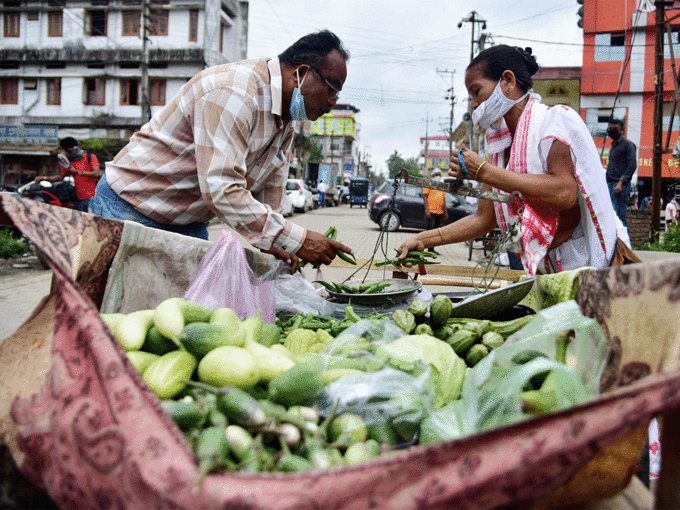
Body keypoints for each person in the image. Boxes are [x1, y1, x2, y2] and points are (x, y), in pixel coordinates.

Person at [89, 30, 352, 273]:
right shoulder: (235, 92)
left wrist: (277, 241)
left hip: (187, 224)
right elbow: (221, 188)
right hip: (129, 209)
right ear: (301, 73)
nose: (333, 101)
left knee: (180, 316)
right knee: (106, 315)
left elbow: (270, 190)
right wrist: (299, 239)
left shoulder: (285, 123)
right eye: (332, 88)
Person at [398, 45, 635, 276]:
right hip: (543, 270)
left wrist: (484, 171)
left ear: (508, 81)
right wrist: (422, 239)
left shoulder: (553, 122)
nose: (473, 104)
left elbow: (564, 193)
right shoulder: (498, 151)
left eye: (476, 91)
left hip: (583, 265)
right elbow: (483, 219)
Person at [35, 137, 100, 212]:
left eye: (67, 150)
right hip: (79, 200)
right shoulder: (68, 162)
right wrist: (44, 178)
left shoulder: (90, 157)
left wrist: (77, 172)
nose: (66, 153)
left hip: (93, 198)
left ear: (73, 148)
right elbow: (59, 178)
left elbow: (95, 173)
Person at [605, 118, 637, 232]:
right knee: (612, 218)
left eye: (614, 128)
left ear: (621, 129)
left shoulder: (628, 145)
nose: (611, 131)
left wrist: (620, 183)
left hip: (619, 186)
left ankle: (625, 246)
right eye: (609, 128)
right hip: (610, 184)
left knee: (620, 217)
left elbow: (632, 165)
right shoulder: (613, 146)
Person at [422, 168, 447, 254]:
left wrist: (445, 211)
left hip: (439, 212)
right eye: (436, 175)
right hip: (431, 211)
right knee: (430, 231)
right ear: (432, 176)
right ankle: (425, 248)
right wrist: (427, 210)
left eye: (439, 175)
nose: (438, 177)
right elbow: (425, 198)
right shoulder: (429, 184)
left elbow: (443, 199)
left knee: (436, 232)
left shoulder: (441, 186)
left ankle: (431, 249)